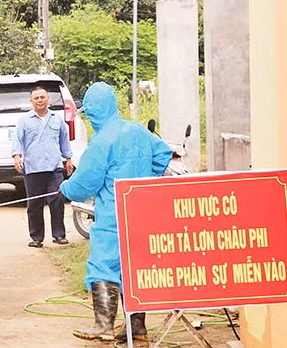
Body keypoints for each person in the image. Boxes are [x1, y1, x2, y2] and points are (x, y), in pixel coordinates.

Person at [59, 82, 172, 342]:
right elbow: (163, 154)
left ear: (95, 111)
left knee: (103, 266)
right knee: (134, 268)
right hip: (142, 213)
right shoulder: (137, 130)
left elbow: (85, 183)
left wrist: (65, 188)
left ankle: (103, 326)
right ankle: (137, 329)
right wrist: (143, 175)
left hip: (113, 216)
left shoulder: (102, 142)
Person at [11, 86, 74, 248]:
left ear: (48, 99)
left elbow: (64, 140)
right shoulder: (25, 120)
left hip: (54, 168)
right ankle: (37, 237)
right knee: (34, 204)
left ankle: (59, 235)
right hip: (33, 169)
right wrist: (17, 156)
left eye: (42, 97)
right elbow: (17, 140)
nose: (40, 100)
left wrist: (68, 159)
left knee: (57, 200)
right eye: (36, 98)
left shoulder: (56, 119)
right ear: (31, 101)